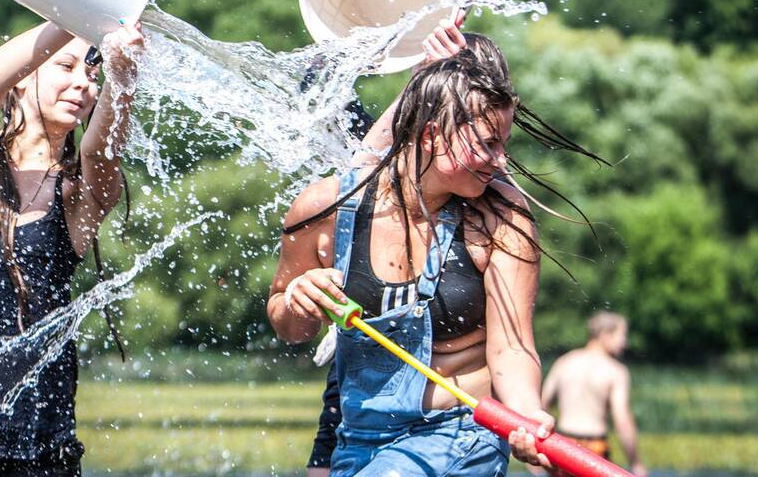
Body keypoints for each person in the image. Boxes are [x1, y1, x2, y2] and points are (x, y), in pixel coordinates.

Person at [270, 40, 558, 476]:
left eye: (505, 143)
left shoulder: (502, 216)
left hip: (459, 437)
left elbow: (511, 350)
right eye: (488, 144)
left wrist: (527, 413)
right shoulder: (325, 208)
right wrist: (296, 300)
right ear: (430, 136)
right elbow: (288, 327)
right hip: (358, 442)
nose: (501, 162)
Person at [0, 19, 142, 476]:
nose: (82, 81)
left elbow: (100, 152)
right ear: (23, 81)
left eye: (92, 74)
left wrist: (123, 73)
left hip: (37, 436)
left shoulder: (80, 193)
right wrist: (76, 11)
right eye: (65, 66)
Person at [539, 311, 648, 477]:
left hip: (562, 447)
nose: (624, 343)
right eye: (622, 335)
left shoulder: (564, 362)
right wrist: (635, 462)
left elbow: (541, 406)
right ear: (605, 334)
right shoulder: (616, 371)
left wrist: (537, 448)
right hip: (595, 449)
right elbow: (622, 421)